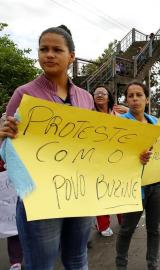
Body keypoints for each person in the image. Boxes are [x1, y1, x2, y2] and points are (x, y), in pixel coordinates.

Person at [0, 25, 94, 269]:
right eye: (44, 49)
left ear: (71, 56)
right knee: (40, 263)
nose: (49, 54)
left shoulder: (86, 97)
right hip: (39, 197)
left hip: (80, 192)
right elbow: (8, 147)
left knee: (78, 258)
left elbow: (96, 144)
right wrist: (3, 135)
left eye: (56, 49)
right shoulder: (24, 94)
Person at [115, 81, 160, 270]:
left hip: (159, 183)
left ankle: (152, 263)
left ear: (147, 99)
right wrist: (135, 157)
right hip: (134, 186)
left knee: (154, 229)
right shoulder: (120, 123)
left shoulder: (157, 123)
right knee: (127, 229)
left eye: (139, 95)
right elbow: (114, 154)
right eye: (131, 95)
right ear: (126, 100)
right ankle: (121, 264)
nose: (135, 99)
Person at [92, 86, 124, 236]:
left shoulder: (118, 114)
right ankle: (103, 225)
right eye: (96, 93)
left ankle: (124, 220)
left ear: (109, 97)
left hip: (117, 160)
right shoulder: (88, 113)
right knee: (101, 192)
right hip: (96, 160)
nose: (99, 95)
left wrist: (127, 110)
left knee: (119, 190)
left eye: (103, 93)